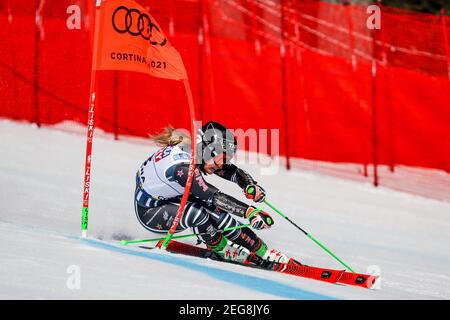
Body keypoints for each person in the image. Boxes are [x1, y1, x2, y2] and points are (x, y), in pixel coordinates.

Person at [134, 121, 295, 264]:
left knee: (219, 214)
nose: (220, 166)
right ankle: (222, 249)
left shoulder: (196, 152)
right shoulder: (182, 168)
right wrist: (249, 213)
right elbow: (212, 196)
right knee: (197, 213)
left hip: (171, 198)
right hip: (150, 211)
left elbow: (229, 171)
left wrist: (248, 185)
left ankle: (263, 251)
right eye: (220, 160)